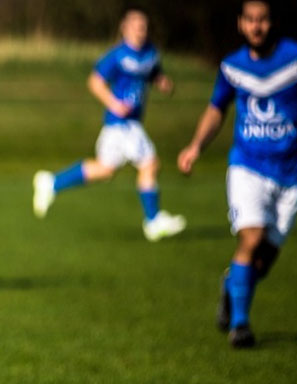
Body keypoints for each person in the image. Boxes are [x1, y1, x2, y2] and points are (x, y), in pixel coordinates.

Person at [178, 0, 297, 348]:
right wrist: (195, 146)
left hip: (293, 173)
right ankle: (240, 325)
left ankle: (231, 286)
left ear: (273, 22)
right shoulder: (232, 66)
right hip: (248, 166)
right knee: (250, 239)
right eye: (250, 20)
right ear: (241, 24)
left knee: (263, 262)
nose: (256, 26)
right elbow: (216, 109)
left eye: (263, 20)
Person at [33, 9, 187, 242]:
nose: (140, 30)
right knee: (150, 163)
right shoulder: (117, 56)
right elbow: (95, 82)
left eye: (143, 26)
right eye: (135, 25)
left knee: (105, 170)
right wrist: (113, 103)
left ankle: (52, 183)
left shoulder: (151, 54)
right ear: (124, 28)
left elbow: (154, 74)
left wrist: (162, 82)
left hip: (130, 123)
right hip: (121, 124)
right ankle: (153, 220)